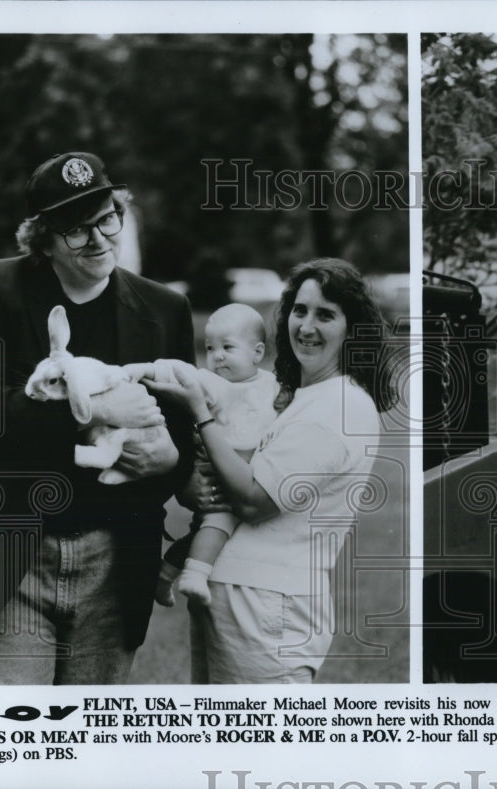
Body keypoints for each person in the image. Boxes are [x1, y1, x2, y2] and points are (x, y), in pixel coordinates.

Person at [0, 152, 196, 684]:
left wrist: (171, 457)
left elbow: (183, 439)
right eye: (76, 230)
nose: (99, 239)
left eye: (108, 217)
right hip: (11, 556)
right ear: (41, 237)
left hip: (116, 561)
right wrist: (98, 411)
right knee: (11, 751)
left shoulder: (164, 310)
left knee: (89, 755)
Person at [146, 258, 397, 683]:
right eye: (300, 310)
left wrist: (201, 417)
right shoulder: (301, 397)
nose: (306, 326)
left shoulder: (340, 407)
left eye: (325, 315)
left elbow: (253, 499)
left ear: (352, 328)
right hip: (235, 601)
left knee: (268, 748)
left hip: (268, 611)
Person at [124, 303, 279, 606]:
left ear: (257, 353)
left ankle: (164, 573)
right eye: (210, 348)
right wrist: (144, 369)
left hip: (250, 472)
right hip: (218, 471)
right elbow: (177, 371)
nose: (217, 355)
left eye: (227, 347)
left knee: (203, 529)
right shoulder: (210, 383)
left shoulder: (270, 385)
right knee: (218, 522)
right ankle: (194, 576)